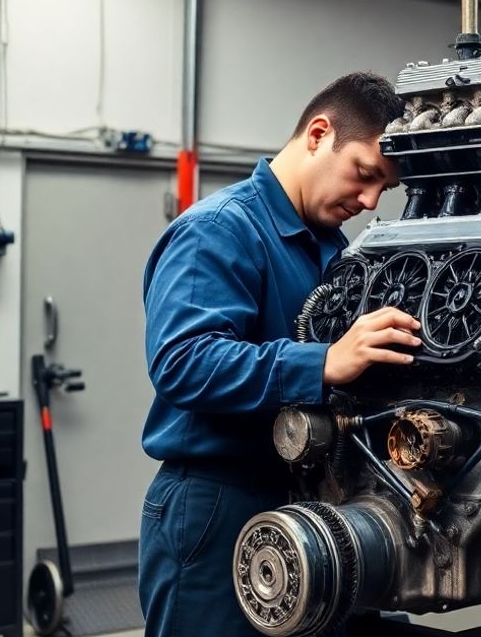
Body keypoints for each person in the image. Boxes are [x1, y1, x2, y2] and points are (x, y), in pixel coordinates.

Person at [137, 72, 422, 636]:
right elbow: (183, 361)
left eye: (383, 189)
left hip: (316, 507)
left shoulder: (336, 251)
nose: (369, 201)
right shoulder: (219, 230)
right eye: (365, 174)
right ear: (318, 135)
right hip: (220, 506)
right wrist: (322, 362)